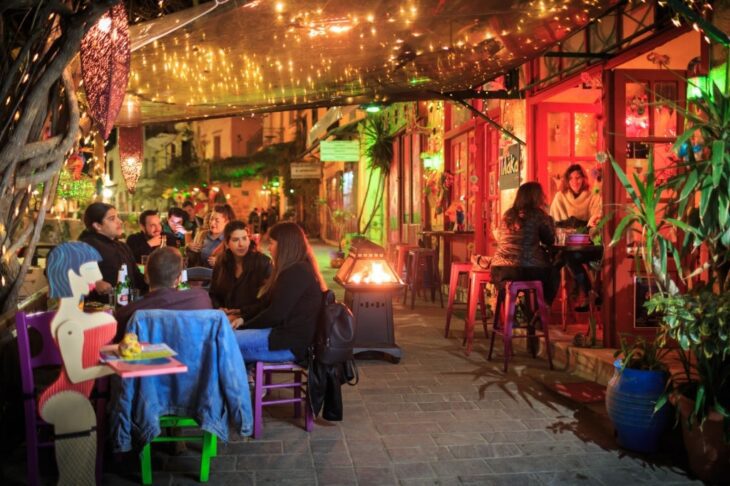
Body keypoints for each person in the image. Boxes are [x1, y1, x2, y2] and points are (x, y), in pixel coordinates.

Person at [40, 242, 117, 485]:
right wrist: (118, 367)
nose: (96, 277)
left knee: (86, 435)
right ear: (71, 273)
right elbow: (75, 374)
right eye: (90, 269)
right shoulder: (70, 325)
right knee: (80, 414)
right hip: (63, 397)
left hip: (78, 398)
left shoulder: (79, 318)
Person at [233, 222, 327, 364]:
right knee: (224, 341)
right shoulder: (293, 269)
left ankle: (234, 384)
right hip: (279, 336)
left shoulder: (297, 271)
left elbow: (275, 315)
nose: (268, 248)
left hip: (288, 344)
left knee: (222, 341)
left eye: (271, 243)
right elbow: (266, 304)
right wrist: (243, 319)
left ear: (284, 245)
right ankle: (240, 381)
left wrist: (244, 327)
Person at [114, 247, 212, 342]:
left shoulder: (127, 313)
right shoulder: (201, 299)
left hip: (149, 358)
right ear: (178, 279)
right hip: (192, 358)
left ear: (146, 276)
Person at [490, 182, 559, 305]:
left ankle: (517, 314)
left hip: (499, 270)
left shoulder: (508, 214)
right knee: (554, 271)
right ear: (536, 197)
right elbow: (549, 240)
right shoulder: (538, 215)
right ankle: (543, 308)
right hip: (525, 269)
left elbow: (501, 238)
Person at [549, 164, 602, 310]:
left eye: (578, 177)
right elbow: (553, 221)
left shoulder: (593, 196)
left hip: (587, 244)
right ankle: (589, 293)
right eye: (571, 178)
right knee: (562, 259)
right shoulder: (560, 197)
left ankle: (545, 305)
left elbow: (596, 221)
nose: (574, 181)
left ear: (583, 179)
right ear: (567, 180)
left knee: (564, 258)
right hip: (567, 244)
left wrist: (585, 227)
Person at [79, 202, 147, 302]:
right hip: (97, 311)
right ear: (97, 225)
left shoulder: (122, 246)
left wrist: (153, 279)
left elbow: (136, 277)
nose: (119, 221)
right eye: (112, 219)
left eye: (118, 217)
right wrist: (94, 283)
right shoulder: (86, 246)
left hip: (126, 307)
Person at [209, 221, 272, 322]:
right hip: (226, 318)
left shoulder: (262, 262)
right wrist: (219, 308)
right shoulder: (221, 262)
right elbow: (213, 293)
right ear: (227, 243)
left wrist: (241, 313)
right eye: (235, 240)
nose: (241, 244)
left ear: (249, 239)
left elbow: (267, 300)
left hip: (252, 319)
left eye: (244, 238)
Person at [187, 203, 235, 268]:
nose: (212, 223)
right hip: (200, 275)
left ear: (227, 222)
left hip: (219, 277)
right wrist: (189, 248)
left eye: (217, 220)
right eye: (211, 219)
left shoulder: (230, 240)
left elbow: (235, 263)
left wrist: (220, 263)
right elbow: (193, 260)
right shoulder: (202, 235)